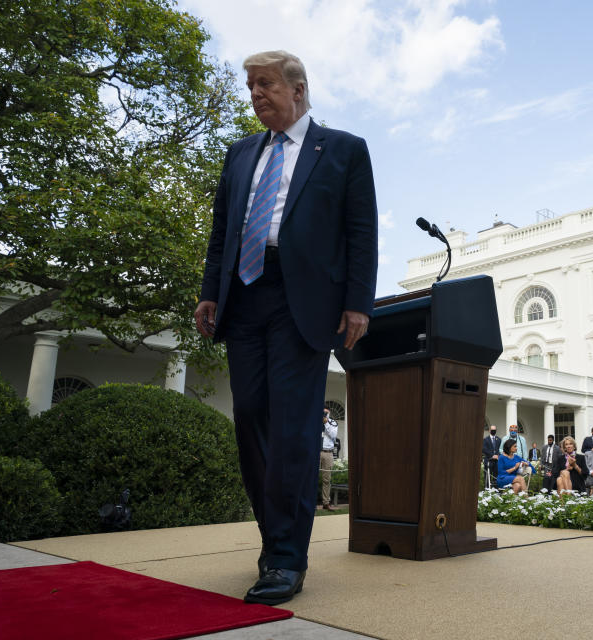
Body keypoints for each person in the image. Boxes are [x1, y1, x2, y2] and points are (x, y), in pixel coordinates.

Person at [194, 50, 377, 606]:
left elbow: (361, 230)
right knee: (250, 418)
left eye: (265, 83)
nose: (255, 94)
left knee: (294, 430)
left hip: (305, 303)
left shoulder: (343, 149)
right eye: (250, 85)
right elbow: (223, 229)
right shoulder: (240, 153)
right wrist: (209, 291)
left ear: (297, 89)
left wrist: (357, 304)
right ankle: (274, 537)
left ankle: (285, 556)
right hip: (244, 294)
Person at [320, 408, 338, 511]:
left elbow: (333, 435)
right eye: (323, 412)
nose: (325, 414)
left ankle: (326, 503)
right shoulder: (315, 421)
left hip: (328, 453)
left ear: (329, 413)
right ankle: (310, 503)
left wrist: (326, 423)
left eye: (326, 412)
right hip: (316, 452)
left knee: (326, 480)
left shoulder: (333, 423)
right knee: (310, 477)